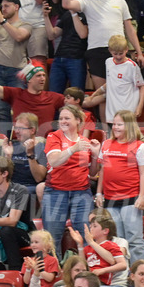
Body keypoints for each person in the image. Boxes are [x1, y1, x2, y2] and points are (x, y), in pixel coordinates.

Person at [95, 110, 144, 264]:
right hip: (111, 199)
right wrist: (99, 193)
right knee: (117, 241)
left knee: (134, 240)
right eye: (114, 124)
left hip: (131, 199)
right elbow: (103, 171)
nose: (115, 127)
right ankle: (122, 275)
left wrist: (142, 197)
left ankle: (142, 274)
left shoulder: (139, 146)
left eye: (120, 124)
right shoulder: (106, 144)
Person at [0, 52, 64, 136]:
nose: (42, 78)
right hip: (18, 142)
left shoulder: (54, 97)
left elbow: (75, 105)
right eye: (38, 76)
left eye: (43, 75)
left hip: (42, 143)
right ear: (29, 80)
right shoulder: (16, 94)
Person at [42, 105, 98, 249]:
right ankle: (55, 271)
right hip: (56, 191)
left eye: (67, 118)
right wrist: (73, 148)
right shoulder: (53, 136)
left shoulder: (85, 141)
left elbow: (92, 173)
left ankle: (87, 269)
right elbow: (54, 160)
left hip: (81, 192)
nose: (63, 121)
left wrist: (96, 155)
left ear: (78, 120)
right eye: (61, 118)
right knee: (52, 239)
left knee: (87, 236)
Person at [83, 35, 144, 124]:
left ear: (126, 50)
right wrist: (94, 94)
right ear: (110, 51)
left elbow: (142, 86)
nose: (118, 56)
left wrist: (139, 107)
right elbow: (111, 82)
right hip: (113, 107)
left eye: (121, 53)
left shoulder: (132, 66)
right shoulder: (108, 62)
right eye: (115, 54)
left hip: (128, 106)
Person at [68, 209, 128, 287]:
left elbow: (113, 261)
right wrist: (80, 244)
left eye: (94, 225)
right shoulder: (89, 247)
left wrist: (92, 242)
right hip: (90, 280)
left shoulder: (118, 242)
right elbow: (83, 264)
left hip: (114, 285)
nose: (90, 228)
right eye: (90, 224)